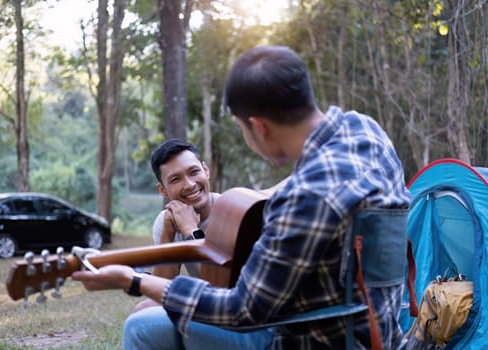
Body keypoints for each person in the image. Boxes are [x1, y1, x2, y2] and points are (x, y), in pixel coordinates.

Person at [72, 45, 411, 349]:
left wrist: (132, 279)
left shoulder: (305, 197)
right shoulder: (365, 131)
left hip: (317, 338)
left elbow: (242, 309)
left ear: (259, 127)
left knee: (143, 328)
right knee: (151, 322)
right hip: (378, 328)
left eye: (241, 128)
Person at [133, 138, 220, 312]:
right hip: (204, 301)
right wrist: (167, 233)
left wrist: (191, 231)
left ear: (206, 170)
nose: (189, 184)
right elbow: (160, 293)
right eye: (175, 180)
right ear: (163, 190)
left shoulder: (232, 211)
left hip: (235, 303)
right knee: (144, 310)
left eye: (194, 172)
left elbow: (222, 284)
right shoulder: (166, 220)